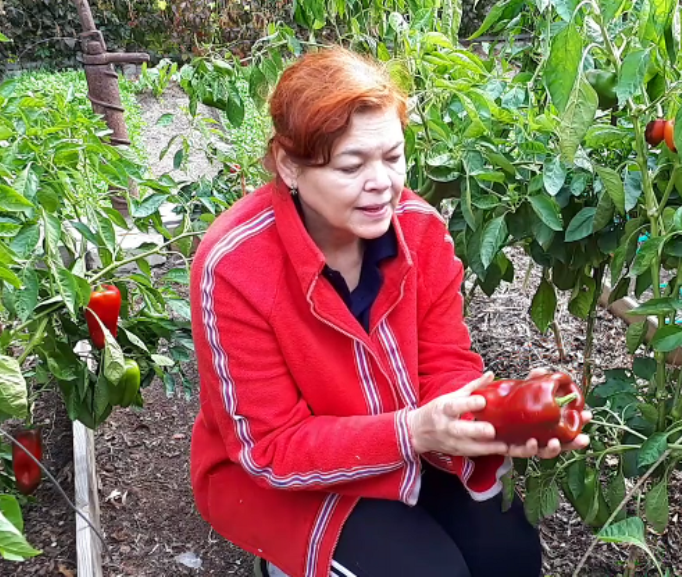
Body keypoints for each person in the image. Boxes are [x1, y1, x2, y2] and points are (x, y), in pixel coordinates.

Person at [187, 46, 592, 577]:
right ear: (290, 164)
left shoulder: (419, 230)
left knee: (510, 559)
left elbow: (444, 360)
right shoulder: (235, 267)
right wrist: (413, 433)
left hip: (409, 439)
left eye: (393, 157)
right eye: (352, 165)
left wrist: (498, 412)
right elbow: (271, 447)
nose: (382, 183)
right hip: (279, 476)